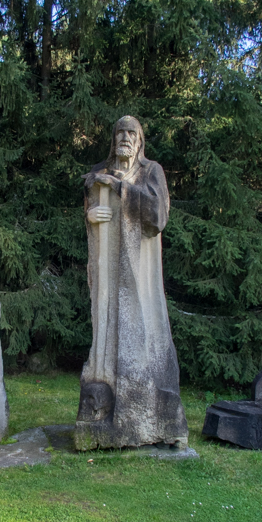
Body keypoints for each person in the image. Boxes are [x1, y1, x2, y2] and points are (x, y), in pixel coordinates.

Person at [75, 115, 188, 449]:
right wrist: (90, 215)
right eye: (120, 132)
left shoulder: (150, 171)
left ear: (140, 141)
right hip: (107, 277)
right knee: (106, 336)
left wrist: (121, 188)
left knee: (143, 337)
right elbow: (90, 207)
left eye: (131, 133)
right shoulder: (99, 172)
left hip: (139, 275)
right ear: (114, 139)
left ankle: (148, 419)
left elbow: (158, 216)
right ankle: (102, 410)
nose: (125, 137)